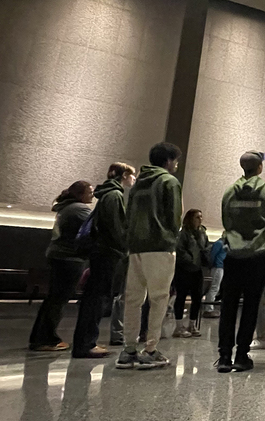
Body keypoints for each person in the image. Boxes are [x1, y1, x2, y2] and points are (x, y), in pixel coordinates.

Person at [115, 142, 182, 371]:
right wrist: (171, 237)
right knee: (159, 298)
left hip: (135, 247)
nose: (176, 164)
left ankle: (128, 349)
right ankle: (151, 349)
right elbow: (174, 217)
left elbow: (128, 215)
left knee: (133, 299)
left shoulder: (138, 183)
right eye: (175, 160)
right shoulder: (168, 181)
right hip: (160, 246)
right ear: (168, 161)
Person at [217, 151, 265, 373]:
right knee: (251, 306)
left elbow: (226, 221)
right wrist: (262, 239)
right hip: (257, 256)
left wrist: (235, 239)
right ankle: (241, 355)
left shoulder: (229, 193)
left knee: (229, 306)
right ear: (260, 167)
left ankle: (224, 356)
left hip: (233, 256)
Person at [72, 163, 135, 358]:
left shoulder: (107, 194)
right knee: (96, 298)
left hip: (102, 252)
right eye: (132, 176)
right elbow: (115, 228)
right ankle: (86, 343)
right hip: (107, 253)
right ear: (124, 175)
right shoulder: (114, 196)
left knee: (95, 297)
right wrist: (124, 247)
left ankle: (86, 341)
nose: (134, 180)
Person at [29, 181, 94, 351]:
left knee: (53, 299)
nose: (92, 195)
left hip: (59, 256)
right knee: (58, 300)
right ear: (80, 194)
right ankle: (46, 339)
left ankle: (40, 336)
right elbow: (95, 227)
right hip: (70, 258)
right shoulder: (79, 209)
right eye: (90, 192)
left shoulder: (66, 208)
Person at [172, 209, 209, 338]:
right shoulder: (183, 234)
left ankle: (192, 324)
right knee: (181, 296)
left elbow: (205, 247)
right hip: (184, 269)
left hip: (197, 269)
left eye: (201, 217)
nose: (200, 219)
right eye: (197, 217)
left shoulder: (202, 233)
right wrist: (189, 260)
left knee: (197, 297)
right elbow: (180, 250)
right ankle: (178, 325)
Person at [202, 232, 227, 317]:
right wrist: (212, 265)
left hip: (220, 266)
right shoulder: (219, 243)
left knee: (216, 287)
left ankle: (209, 307)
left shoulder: (224, 244)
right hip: (217, 266)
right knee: (214, 287)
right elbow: (213, 255)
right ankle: (208, 308)